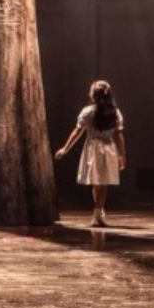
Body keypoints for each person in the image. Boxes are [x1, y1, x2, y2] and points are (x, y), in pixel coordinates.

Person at [53, 80, 126, 227]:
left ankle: (98, 212)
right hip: (107, 148)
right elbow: (118, 136)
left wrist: (65, 149)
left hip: (93, 147)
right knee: (100, 183)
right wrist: (121, 154)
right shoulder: (114, 112)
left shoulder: (90, 111)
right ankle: (98, 212)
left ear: (93, 94)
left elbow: (77, 131)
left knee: (99, 182)